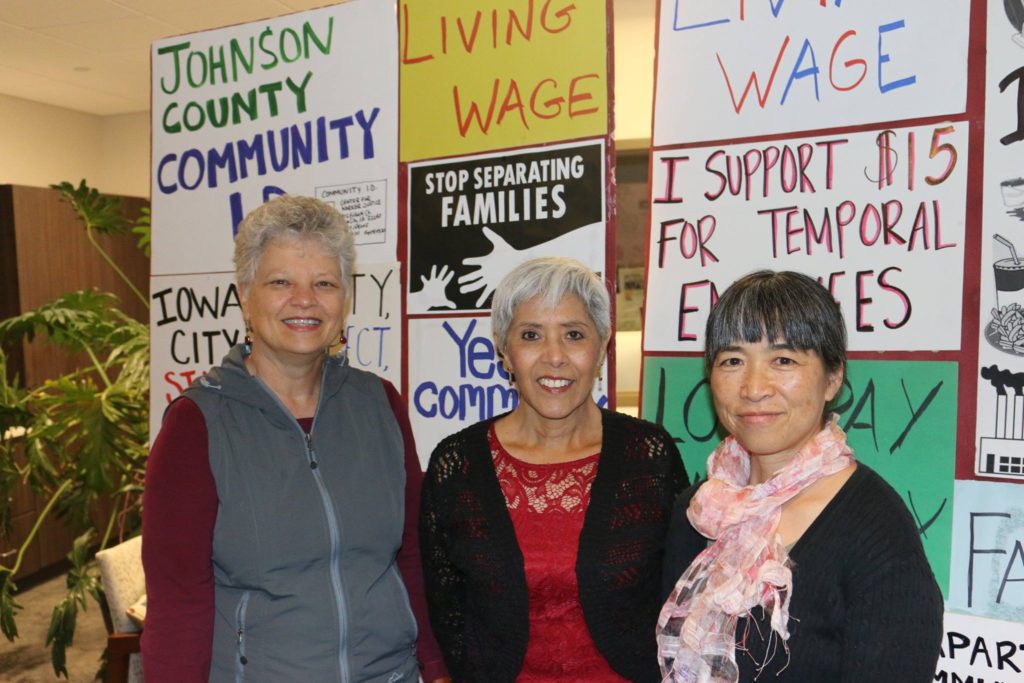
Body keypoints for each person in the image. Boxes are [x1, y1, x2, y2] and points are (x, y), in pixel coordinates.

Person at [142, 195, 448, 682]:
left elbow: (412, 556)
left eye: (324, 283)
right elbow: (178, 603)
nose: (304, 300)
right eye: (281, 282)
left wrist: (435, 667)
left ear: (345, 299)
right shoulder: (196, 425)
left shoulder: (381, 404)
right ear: (245, 295)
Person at [657, 270, 943, 682]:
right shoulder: (698, 510)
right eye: (733, 361)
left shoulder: (875, 528)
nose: (754, 387)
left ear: (833, 378)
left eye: (784, 360)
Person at [420, 257, 688, 683]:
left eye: (574, 335)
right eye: (530, 335)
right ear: (504, 352)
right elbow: (444, 604)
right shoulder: (456, 465)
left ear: (601, 348)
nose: (555, 357)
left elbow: (681, 594)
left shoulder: (648, 454)